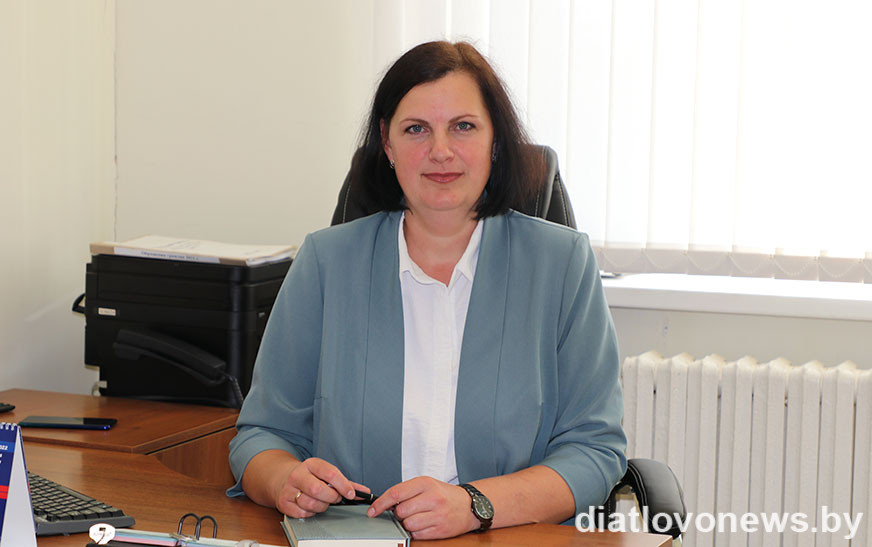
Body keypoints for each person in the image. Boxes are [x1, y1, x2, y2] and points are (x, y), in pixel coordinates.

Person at [227, 40, 626, 540]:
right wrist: (284, 479)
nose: (441, 151)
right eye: (416, 129)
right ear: (387, 144)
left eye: (463, 126)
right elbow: (261, 435)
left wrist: (474, 505)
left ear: (495, 140)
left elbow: (594, 448)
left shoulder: (562, 264)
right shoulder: (326, 263)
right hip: (358, 538)